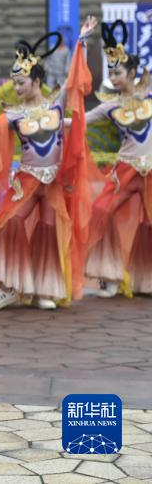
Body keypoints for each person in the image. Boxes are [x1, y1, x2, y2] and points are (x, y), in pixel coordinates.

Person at [0, 15, 99, 310]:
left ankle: (44, 290)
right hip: (26, 180)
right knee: (9, 222)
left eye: (21, 82)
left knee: (48, 227)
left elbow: (74, 81)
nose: (17, 87)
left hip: (53, 182)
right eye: (15, 82)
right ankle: (8, 286)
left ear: (36, 81)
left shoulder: (56, 105)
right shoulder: (14, 114)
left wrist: (82, 42)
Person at [85, 20, 152, 297]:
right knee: (102, 212)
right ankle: (108, 274)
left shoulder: (150, 96)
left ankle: (146, 279)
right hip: (124, 171)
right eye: (111, 72)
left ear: (133, 73)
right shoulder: (109, 106)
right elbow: (80, 120)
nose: (113, 78)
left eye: (118, 72)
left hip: (151, 172)